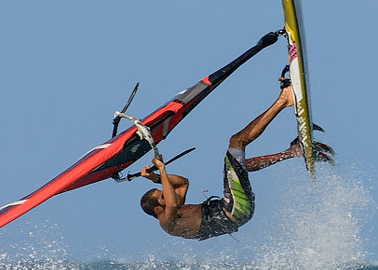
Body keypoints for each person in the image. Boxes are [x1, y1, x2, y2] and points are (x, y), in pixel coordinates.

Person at [138, 79, 330, 240]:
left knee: (239, 164)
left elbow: (182, 183)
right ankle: (284, 100)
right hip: (233, 208)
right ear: (157, 209)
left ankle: (293, 152)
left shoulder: (177, 209)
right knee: (236, 143)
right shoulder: (167, 223)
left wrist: (156, 178)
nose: (166, 191)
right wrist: (162, 170)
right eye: (162, 194)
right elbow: (171, 204)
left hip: (236, 210)